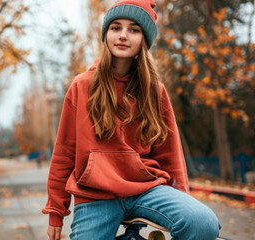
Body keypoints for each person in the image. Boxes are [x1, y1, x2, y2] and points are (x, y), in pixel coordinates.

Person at [42, 0, 221, 239]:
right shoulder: (82, 85)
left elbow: (170, 154)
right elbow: (64, 152)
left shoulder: (154, 91)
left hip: (146, 190)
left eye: (133, 30)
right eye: (116, 28)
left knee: (202, 222)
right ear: (106, 34)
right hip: (95, 196)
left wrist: (182, 200)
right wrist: (56, 210)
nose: (123, 35)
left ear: (144, 39)